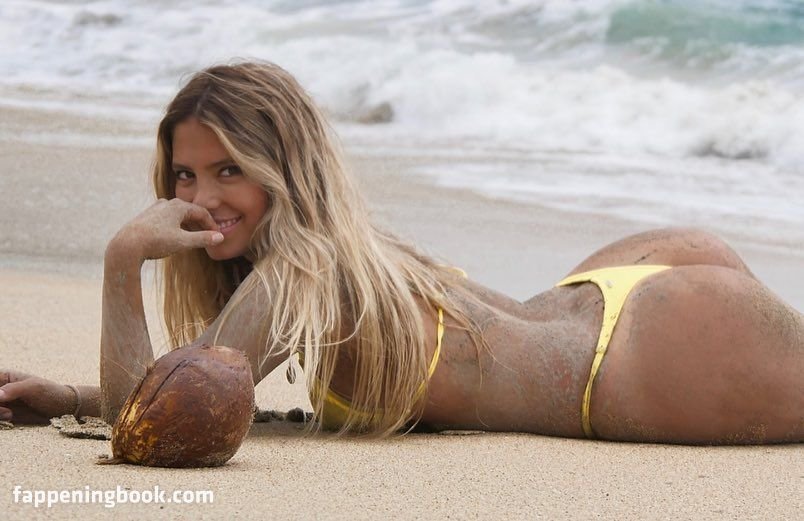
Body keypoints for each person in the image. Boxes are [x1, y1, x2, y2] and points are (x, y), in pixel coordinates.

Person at [1, 62, 801, 444]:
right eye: (185, 173)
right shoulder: (320, 263)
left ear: (286, 168)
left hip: (640, 356)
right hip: (612, 296)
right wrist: (71, 395)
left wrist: (120, 263)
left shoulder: (301, 271)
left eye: (230, 170)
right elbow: (184, 381)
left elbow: (160, 427)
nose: (201, 196)